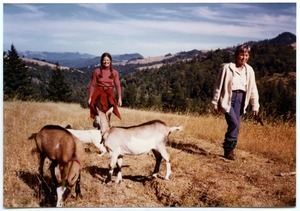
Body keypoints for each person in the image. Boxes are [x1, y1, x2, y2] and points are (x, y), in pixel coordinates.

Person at [212, 44, 259, 160]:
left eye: (246, 55)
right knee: (234, 123)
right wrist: (215, 102)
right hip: (228, 98)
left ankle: (230, 150)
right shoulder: (227, 68)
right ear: (236, 55)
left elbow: (253, 89)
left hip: (241, 99)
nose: (244, 57)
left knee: (237, 126)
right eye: (241, 54)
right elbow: (218, 86)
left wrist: (255, 106)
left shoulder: (250, 70)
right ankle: (228, 149)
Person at [88, 52, 122, 126]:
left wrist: (119, 98)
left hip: (109, 94)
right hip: (99, 93)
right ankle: (98, 121)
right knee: (101, 114)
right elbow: (93, 85)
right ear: (101, 61)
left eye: (107, 60)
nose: (106, 62)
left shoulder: (115, 72)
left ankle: (106, 129)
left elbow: (117, 85)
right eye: (104, 60)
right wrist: (90, 97)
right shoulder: (96, 71)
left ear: (110, 61)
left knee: (108, 115)